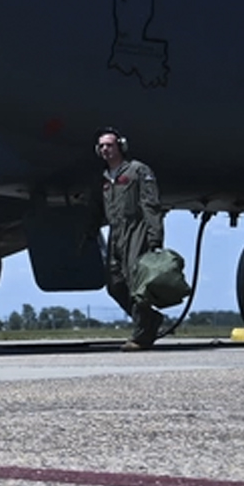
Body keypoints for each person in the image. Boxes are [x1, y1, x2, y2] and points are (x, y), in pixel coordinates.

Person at [96, 128, 165, 351]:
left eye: (109, 145)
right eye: (102, 146)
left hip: (137, 230)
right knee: (115, 284)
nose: (105, 149)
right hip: (116, 233)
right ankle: (150, 320)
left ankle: (141, 335)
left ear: (120, 147)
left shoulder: (138, 171)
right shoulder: (106, 178)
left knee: (137, 284)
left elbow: (150, 205)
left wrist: (155, 238)